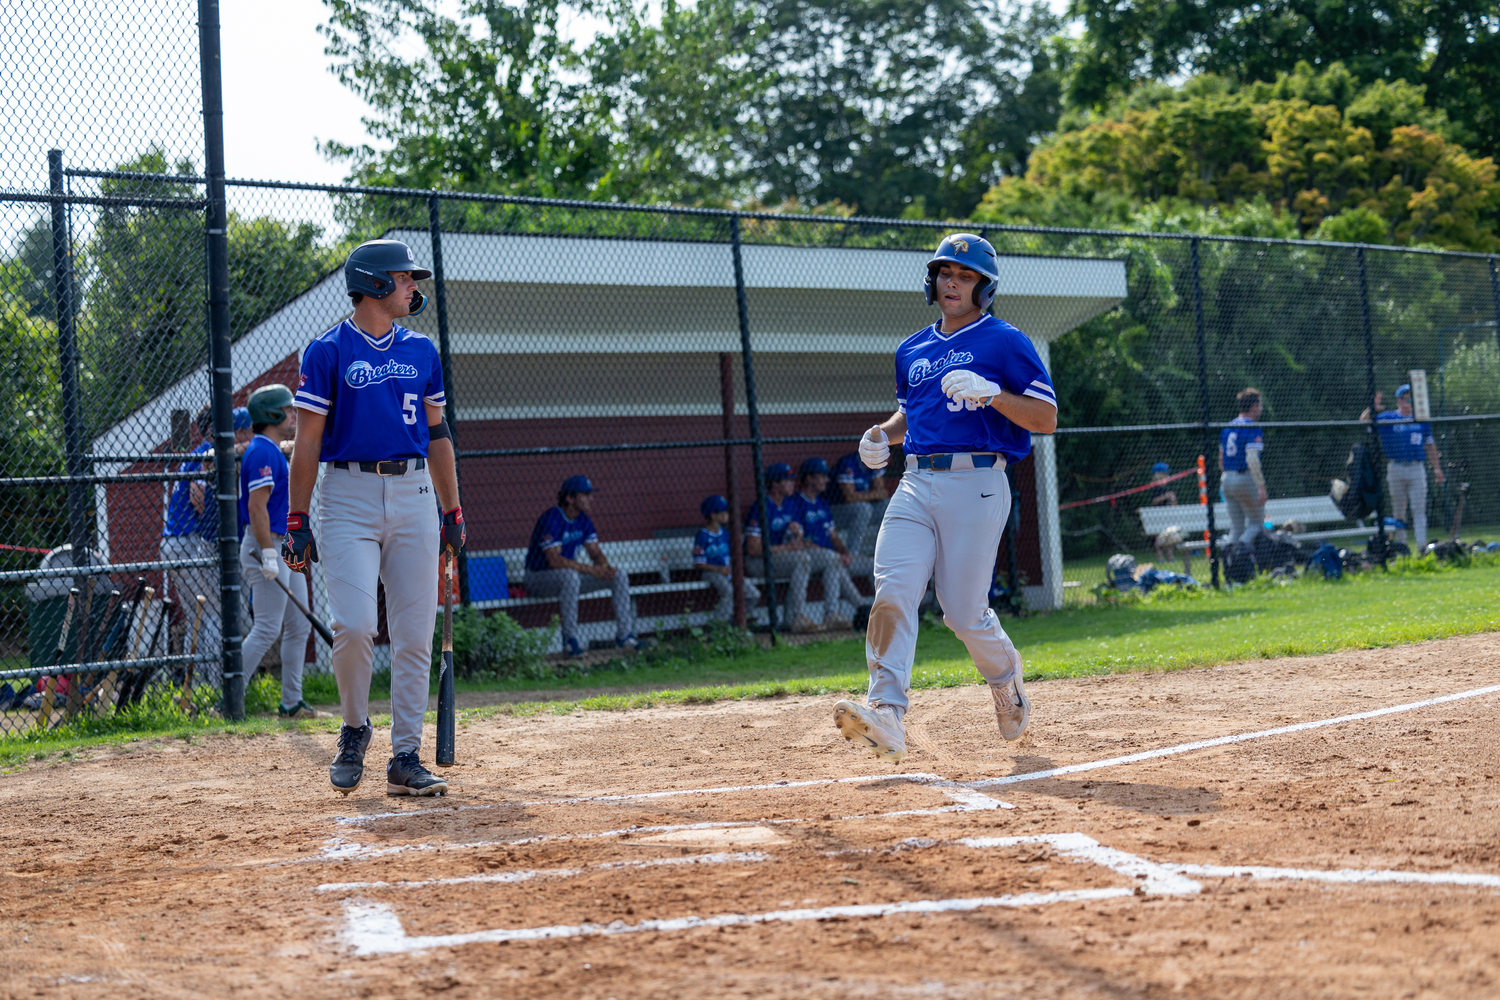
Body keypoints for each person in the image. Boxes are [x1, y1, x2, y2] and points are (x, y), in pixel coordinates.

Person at [834, 233, 1056, 763]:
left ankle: (1005, 678)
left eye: (965, 275)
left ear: (985, 287)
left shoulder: (1005, 341)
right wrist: (880, 435)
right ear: (931, 282)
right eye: (944, 273)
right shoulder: (911, 348)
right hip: (914, 482)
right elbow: (912, 412)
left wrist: (992, 395)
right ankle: (885, 712)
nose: (952, 282)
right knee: (892, 589)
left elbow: (1045, 419)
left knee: (961, 612)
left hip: (977, 482)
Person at [284, 238, 464, 797]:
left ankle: (405, 755)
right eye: (406, 278)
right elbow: (307, 442)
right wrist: (296, 518)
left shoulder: (422, 351)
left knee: (415, 634)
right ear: (376, 283)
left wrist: (452, 508)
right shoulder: (327, 351)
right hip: (347, 496)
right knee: (356, 625)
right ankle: (356, 728)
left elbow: (437, 435)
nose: (414, 287)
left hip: (413, 494)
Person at [237, 385, 322, 720]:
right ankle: (228, 699)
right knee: (268, 628)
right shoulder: (261, 451)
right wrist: (269, 554)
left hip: (282, 545)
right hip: (265, 546)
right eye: (287, 410)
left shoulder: (271, 449)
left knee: (299, 624)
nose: (293, 415)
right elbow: (256, 508)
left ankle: (291, 702)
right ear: (271, 414)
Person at [523, 475, 638, 657]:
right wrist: (593, 570)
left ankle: (625, 637)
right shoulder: (551, 518)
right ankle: (570, 641)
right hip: (539, 578)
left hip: (569, 578)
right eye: (585, 495)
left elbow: (596, 553)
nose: (590, 498)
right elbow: (555, 561)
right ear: (570, 498)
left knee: (619, 575)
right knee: (570, 576)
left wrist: (604, 567)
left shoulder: (583, 520)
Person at [1361, 385, 1445, 549]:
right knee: (1399, 511)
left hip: (1416, 468)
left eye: (1412, 398)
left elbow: (1430, 444)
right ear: (1399, 400)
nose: (1409, 401)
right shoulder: (1388, 418)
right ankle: (1401, 547)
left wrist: (1437, 468)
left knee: (1419, 509)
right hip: (1396, 468)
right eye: (1406, 398)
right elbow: (1364, 423)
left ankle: (1422, 547)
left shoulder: (1421, 420)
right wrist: (1372, 409)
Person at [789, 457, 865, 632]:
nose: (827, 480)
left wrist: (845, 552)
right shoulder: (795, 503)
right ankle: (853, 610)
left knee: (872, 564)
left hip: (830, 557)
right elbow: (802, 542)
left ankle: (869, 609)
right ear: (809, 479)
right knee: (832, 559)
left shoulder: (822, 503)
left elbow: (833, 536)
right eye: (822, 476)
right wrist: (835, 554)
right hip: (808, 555)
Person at [743, 463, 816, 633]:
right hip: (757, 562)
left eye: (792, 480)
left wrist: (797, 536)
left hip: (782, 557)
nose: (792, 484)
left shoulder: (790, 505)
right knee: (802, 560)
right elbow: (753, 550)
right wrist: (787, 548)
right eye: (787, 480)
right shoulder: (760, 507)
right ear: (775, 484)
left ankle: (794, 618)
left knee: (812, 559)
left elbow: (800, 541)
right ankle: (797, 617)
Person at [693, 494, 760, 621]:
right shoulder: (702, 536)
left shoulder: (727, 534)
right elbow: (698, 564)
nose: (727, 515)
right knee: (729, 592)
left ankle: (740, 621)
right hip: (711, 572)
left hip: (729, 571)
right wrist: (718, 569)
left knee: (754, 594)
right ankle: (719, 625)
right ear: (713, 515)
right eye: (723, 512)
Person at [1219, 388, 1267, 546]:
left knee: (1237, 528)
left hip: (1226, 478)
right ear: (1253, 407)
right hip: (1244, 477)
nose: (1261, 408)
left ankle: (1229, 558)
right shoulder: (1252, 427)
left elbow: (1221, 460)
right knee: (1256, 524)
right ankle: (1240, 554)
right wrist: (1261, 485)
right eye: (1260, 405)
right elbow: (1252, 459)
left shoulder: (1227, 428)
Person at [826, 451, 889, 559]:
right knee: (864, 508)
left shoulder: (875, 464)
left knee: (887, 505)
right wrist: (874, 495)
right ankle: (853, 554)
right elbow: (849, 497)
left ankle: (882, 552)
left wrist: (867, 495)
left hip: (858, 511)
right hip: (835, 513)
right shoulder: (848, 463)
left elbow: (882, 493)